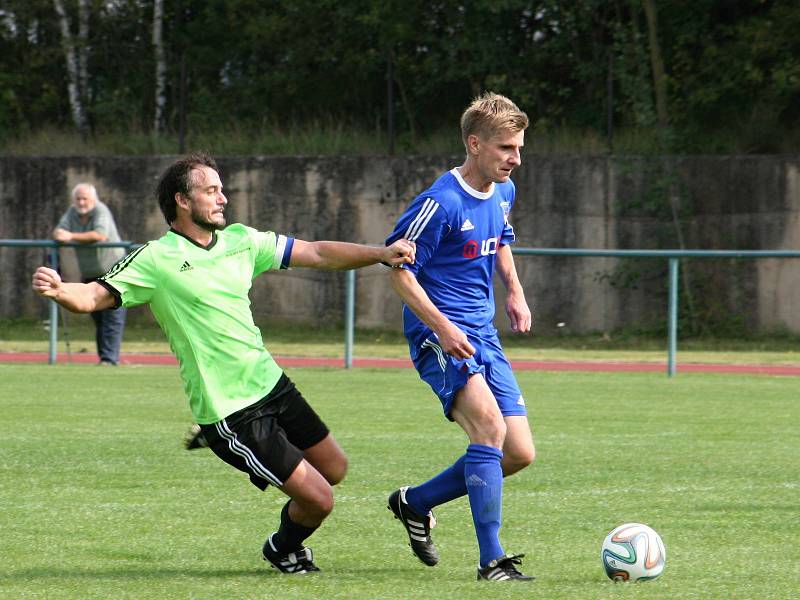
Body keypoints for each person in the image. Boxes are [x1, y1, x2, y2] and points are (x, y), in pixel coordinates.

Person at [33, 153, 416, 574]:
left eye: (221, 189)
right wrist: (60, 289)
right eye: (211, 190)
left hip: (272, 385)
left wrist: (379, 253)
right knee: (320, 499)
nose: (223, 198)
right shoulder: (157, 258)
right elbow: (94, 296)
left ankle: (265, 471)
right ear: (182, 200)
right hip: (231, 409)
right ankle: (283, 548)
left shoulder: (241, 240)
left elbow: (318, 252)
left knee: (335, 469)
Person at [384, 93, 535, 582]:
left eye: (518, 148)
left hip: (483, 333)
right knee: (489, 430)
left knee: (518, 452)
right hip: (439, 334)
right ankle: (492, 561)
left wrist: (514, 291)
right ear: (475, 144)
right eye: (506, 148)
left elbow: (501, 241)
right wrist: (443, 328)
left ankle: (416, 502)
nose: (515, 158)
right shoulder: (438, 204)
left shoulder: (503, 191)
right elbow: (399, 273)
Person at [53, 183, 127, 365]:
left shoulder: (101, 210)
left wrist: (69, 236)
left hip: (113, 271)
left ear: (94, 199)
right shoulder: (72, 212)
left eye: (85, 198)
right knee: (99, 319)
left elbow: (100, 235)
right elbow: (58, 231)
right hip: (91, 274)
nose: (81, 202)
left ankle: (109, 359)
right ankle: (105, 358)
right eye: (78, 198)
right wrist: (60, 234)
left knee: (112, 318)